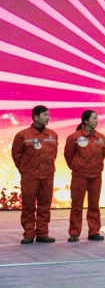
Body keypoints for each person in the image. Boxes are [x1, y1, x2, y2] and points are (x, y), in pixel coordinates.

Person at [11, 105, 58, 244]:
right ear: (36, 117)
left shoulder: (53, 135)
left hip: (47, 176)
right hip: (30, 177)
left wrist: (48, 168)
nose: (48, 117)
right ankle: (28, 234)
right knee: (28, 206)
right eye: (45, 115)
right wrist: (25, 170)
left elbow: (54, 154)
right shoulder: (22, 135)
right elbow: (16, 155)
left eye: (48, 115)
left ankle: (43, 233)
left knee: (45, 206)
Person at [64, 110, 105, 242]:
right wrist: (77, 167)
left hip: (96, 176)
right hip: (79, 176)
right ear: (85, 121)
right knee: (77, 205)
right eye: (93, 118)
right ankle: (74, 233)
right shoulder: (74, 137)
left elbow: (103, 155)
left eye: (97, 118)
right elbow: (68, 155)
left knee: (94, 205)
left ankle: (94, 231)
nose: (96, 121)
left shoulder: (101, 138)